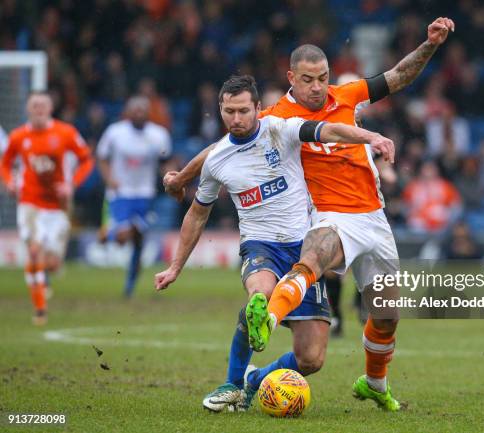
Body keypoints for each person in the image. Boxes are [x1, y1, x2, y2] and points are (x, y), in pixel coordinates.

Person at [164, 17, 455, 411]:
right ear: (291, 77)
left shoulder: (348, 95)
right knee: (315, 255)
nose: (317, 87)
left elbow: (399, 75)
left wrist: (430, 44)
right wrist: (182, 177)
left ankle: (373, 383)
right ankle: (264, 320)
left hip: (374, 216)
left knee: (384, 316)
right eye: (308, 79)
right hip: (329, 215)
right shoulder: (276, 117)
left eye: (322, 77)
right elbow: (221, 148)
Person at [154, 75, 394, 412]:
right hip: (260, 246)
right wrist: (176, 266)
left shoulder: (281, 129)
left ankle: (256, 380)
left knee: (311, 359)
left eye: (242, 111)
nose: (235, 120)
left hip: (304, 246)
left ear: (257, 109)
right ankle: (232, 385)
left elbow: (329, 130)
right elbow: (197, 214)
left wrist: (369, 136)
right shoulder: (218, 160)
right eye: (228, 112)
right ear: (220, 111)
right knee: (260, 295)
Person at [0, 92, 94, 325]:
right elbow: (5, 163)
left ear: (51, 107)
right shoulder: (19, 136)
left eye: (43, 104)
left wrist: (71, 184)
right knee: (33, 251)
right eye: (34, 105)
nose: (39, 108)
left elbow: (87, 159)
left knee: (51, 263)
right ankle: (40, 308)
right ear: (27, 109)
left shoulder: (65, 132)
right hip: (30, 202)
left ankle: (44, 276)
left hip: (58, 206)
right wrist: (9, 182)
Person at [97, 96, 173, 297]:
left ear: (148, 112)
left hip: (144, 195)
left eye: (143, 110)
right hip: (120, 194)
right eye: (135, 110)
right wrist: (109, 179)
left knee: (138, 240)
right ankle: (108, 234)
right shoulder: (115, 132)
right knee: (123, 236)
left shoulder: (158, 135)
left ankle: (129, 287)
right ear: (128, 112)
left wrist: (173, 177)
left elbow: (165, 161)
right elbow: (102, 157)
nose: (139, 113)